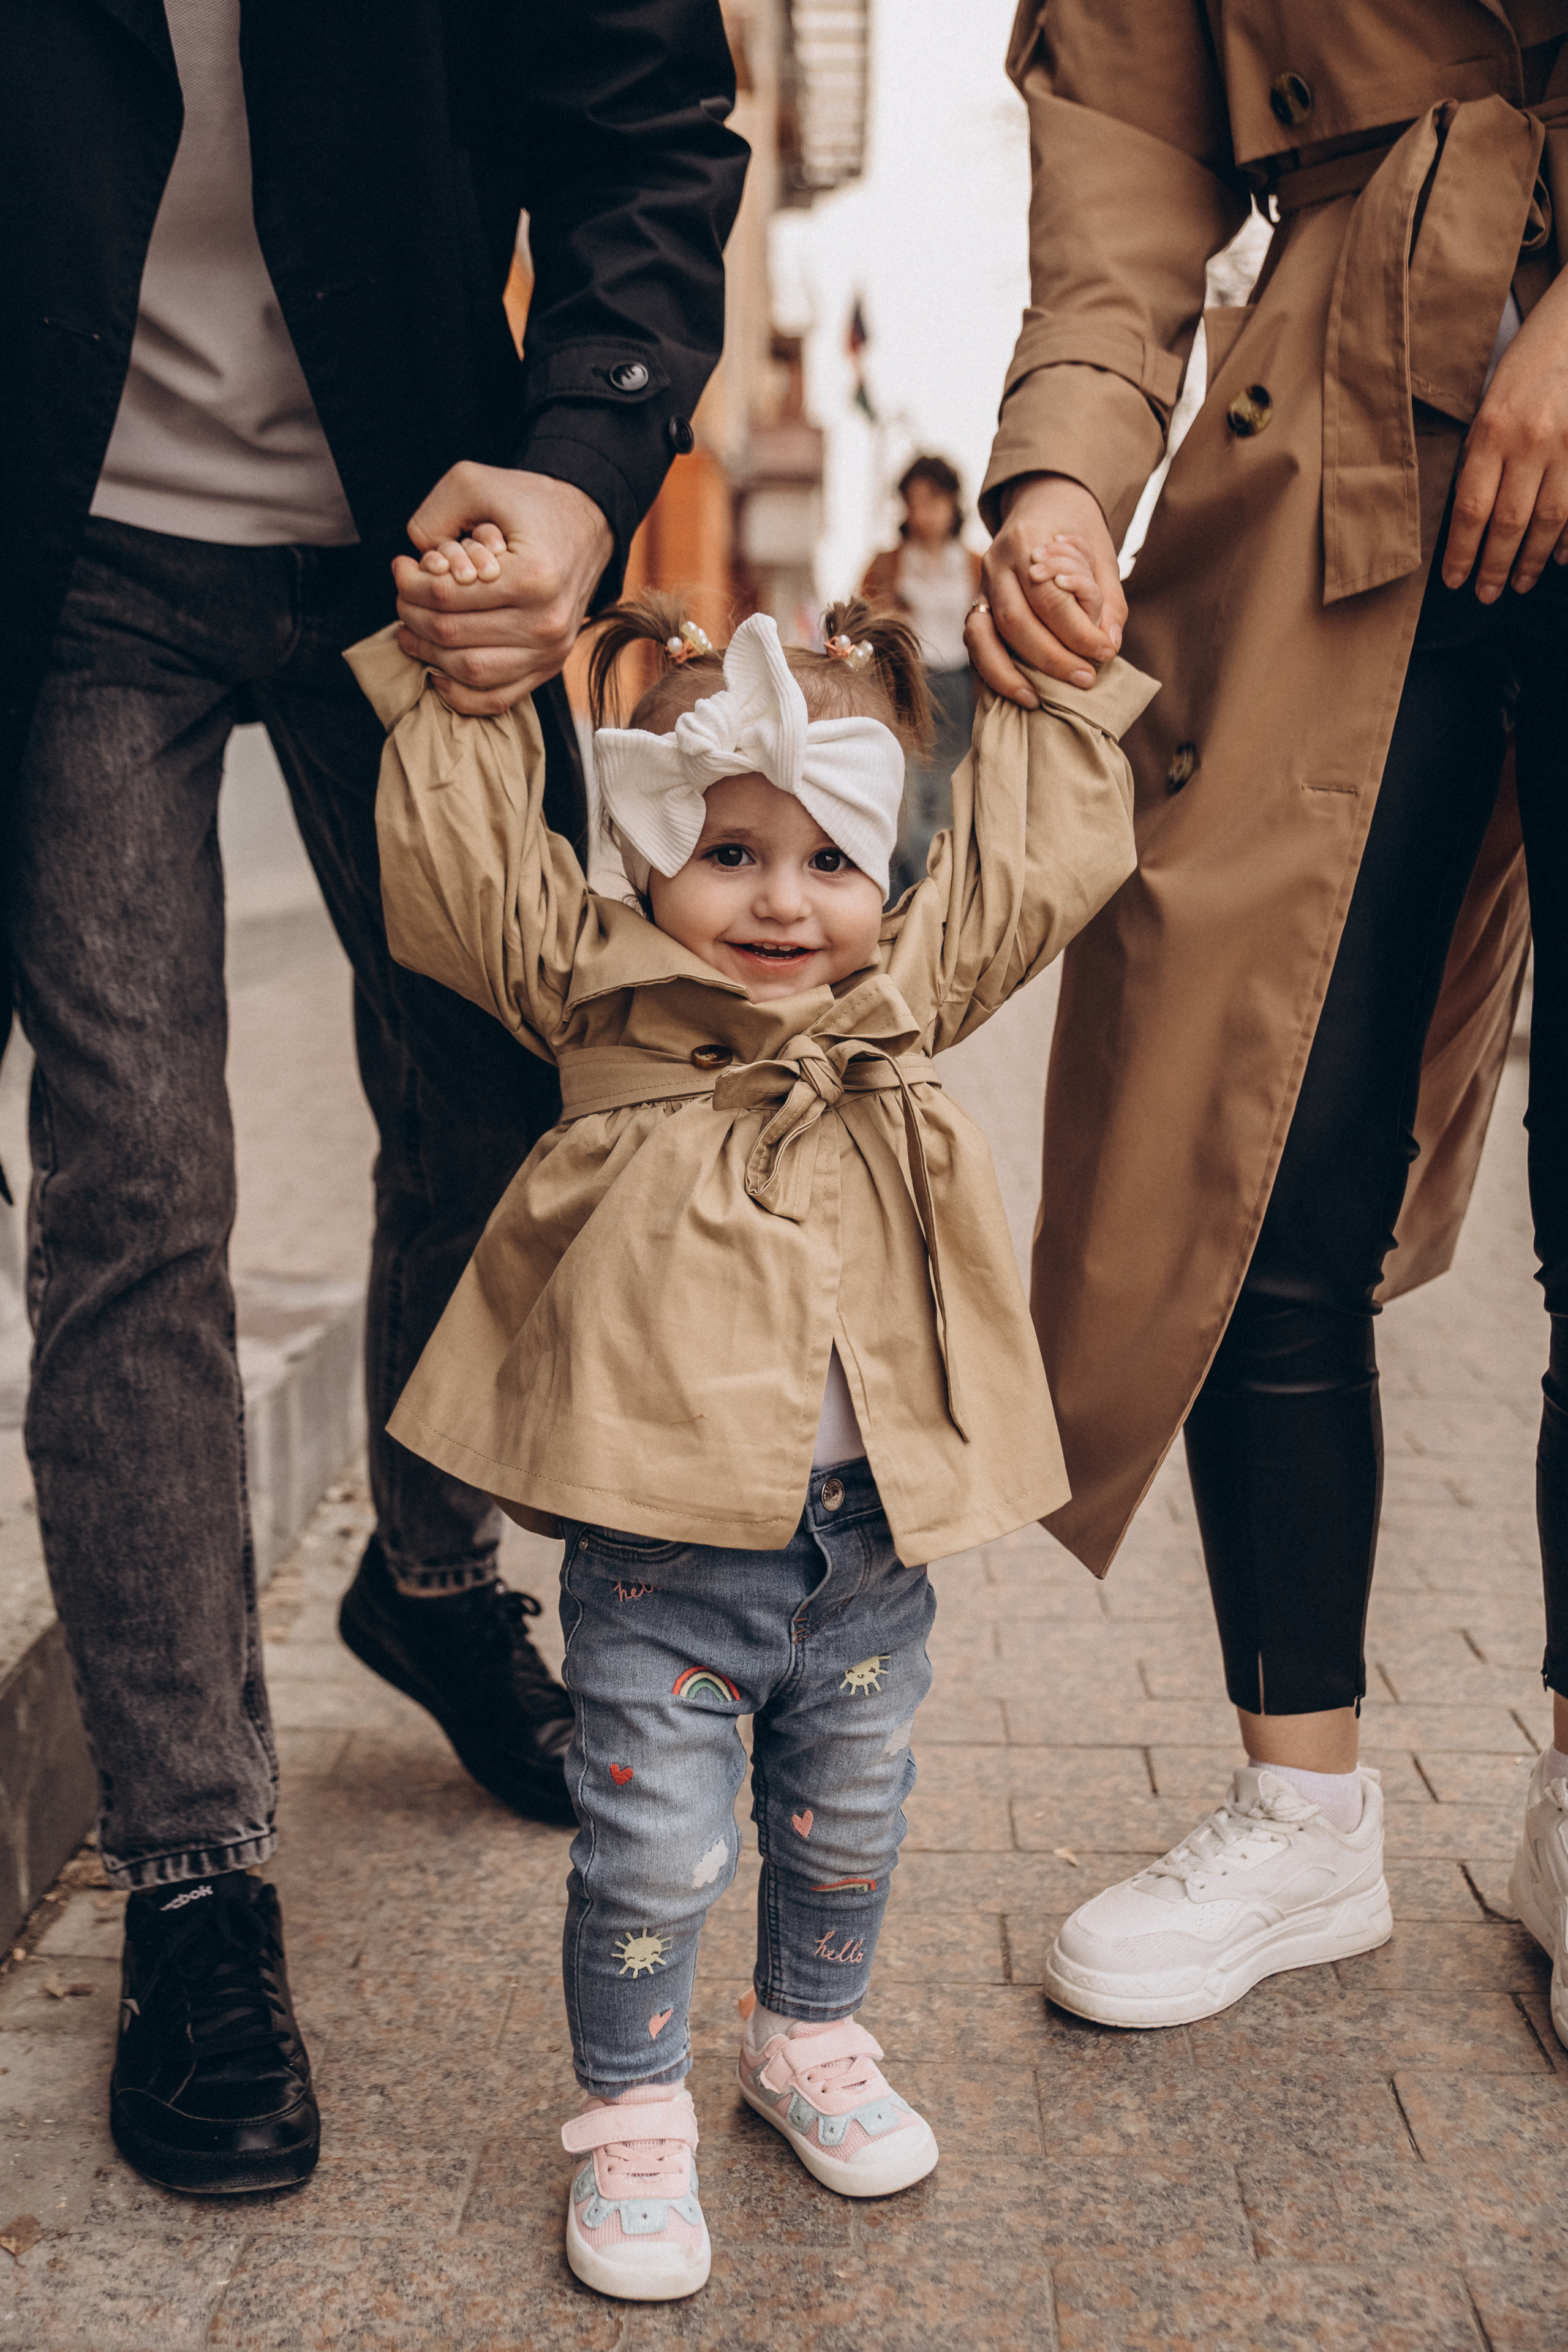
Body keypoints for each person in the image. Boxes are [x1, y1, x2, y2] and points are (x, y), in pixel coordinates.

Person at [1, 0, 747, 2193]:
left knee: (506, 1115)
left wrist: (578, 462)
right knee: (132, 1183)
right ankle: (197, 1878)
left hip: (422, 536)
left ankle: (425, 1578)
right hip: (69, 564)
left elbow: (649, 131)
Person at [349, 545, 1152, 2297]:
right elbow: (459, 874)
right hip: (661, 1560)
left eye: (825, 861)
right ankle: (631, 2117)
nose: (782, 903)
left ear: (885, 872)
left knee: (851, 1814)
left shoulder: (901, 1004)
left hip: (865, 1561)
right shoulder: (599, 992)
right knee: (653, 1840)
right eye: (728, 854)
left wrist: (1057, 687)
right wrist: (479, 685)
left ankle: (809, 2039)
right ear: (649, 855)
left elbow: (1033, 867)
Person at [967, 1, 1568, 2034]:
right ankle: (1302, 1812)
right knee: (1252, 1119)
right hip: (1337, 411)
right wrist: (1061, 473)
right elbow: (1130, 142)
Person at [862, 457, 982, 899]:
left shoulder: (975, 566)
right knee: (903, 801)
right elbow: (857, 626)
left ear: (953, 503)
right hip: (904, 687)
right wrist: (888, 613)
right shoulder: (887, 566)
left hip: (959, 689)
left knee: (951, 801)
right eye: (913, 503)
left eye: (933, 501)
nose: (923, 513)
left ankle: (941, 905)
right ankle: (902, 904)